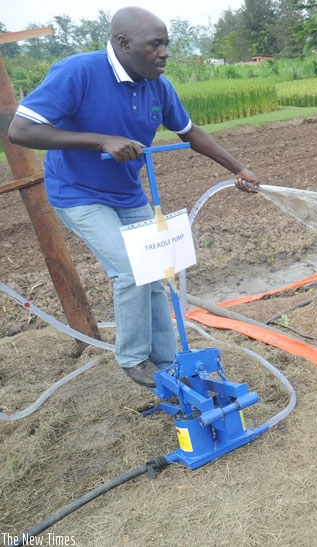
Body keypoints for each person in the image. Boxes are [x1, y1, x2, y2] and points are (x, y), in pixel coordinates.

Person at [8, 7, 260, 388]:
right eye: (155, 44)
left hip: (127, 193)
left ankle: (166, 358)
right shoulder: (79, 72)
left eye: (166, 45)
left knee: (157, 270)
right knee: (130, 270)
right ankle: (132, 359)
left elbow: (190, 133)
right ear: (123, 43)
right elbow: (21, 130)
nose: (164, 53)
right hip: (78, 193)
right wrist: (100, 140)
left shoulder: (158, 85)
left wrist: (238, 168)